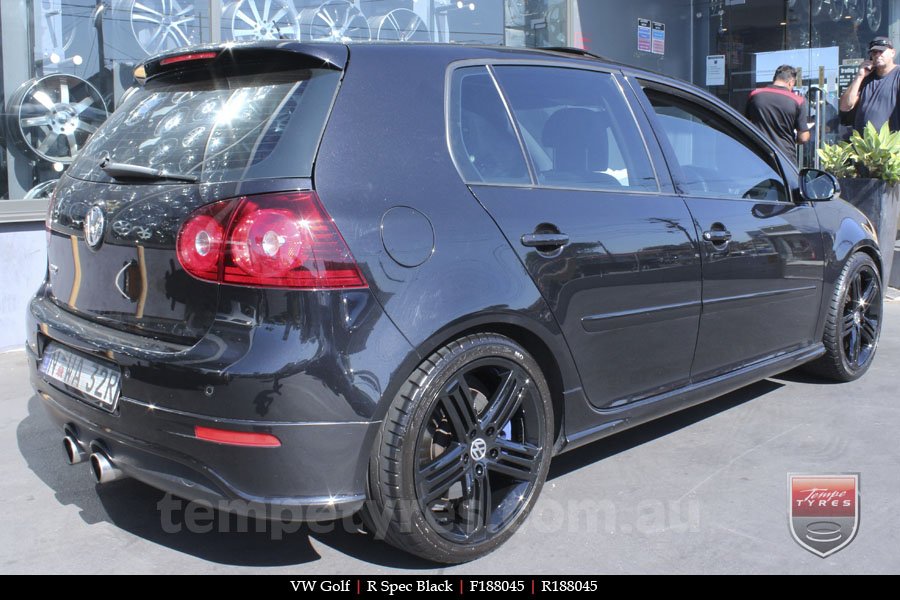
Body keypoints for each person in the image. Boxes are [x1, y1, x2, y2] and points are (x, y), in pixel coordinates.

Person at [746, 65, 811, 164]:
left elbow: (747, 124)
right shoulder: (797, 100)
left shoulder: (755, 95)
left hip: (757, 153)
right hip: (785, 157)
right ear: (791, 82)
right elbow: (804, 137)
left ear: (774, 79)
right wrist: (796, 139)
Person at [840, 36, 900, 134]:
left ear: (892, 53)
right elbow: (845, 106)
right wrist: (859, 76)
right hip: (863, 144)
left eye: (881, 51)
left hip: (890, 144)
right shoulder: (864, 77)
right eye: (874, 52)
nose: (877, 55)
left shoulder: (897, 74)